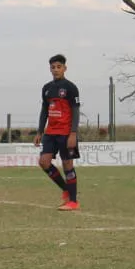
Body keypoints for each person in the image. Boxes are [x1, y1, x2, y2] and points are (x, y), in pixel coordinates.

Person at [34, 54, 81, 211]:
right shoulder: (47, 88)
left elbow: (75, 111)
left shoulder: (70, 88)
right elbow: (44, 110)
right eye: (53, 67)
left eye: (58, 67)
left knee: (67, 164)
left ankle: (73, 201)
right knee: (44, 162)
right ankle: (66, 189)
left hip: (66, 132)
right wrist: (40, 131)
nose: (55, 70)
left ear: (64, 68)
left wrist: (73, 133)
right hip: (51, 132)